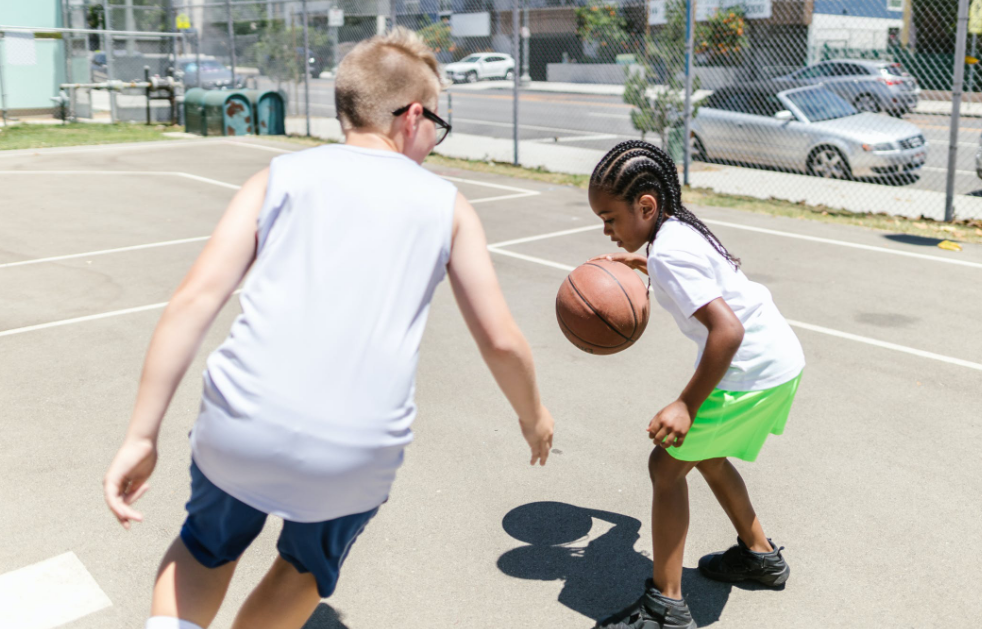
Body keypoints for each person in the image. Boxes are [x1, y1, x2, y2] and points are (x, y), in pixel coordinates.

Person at [103, 28, 555, 629]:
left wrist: (141, 434)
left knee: (206, 547)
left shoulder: (278, 177)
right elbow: (500, 340)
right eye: (437, 127)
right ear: (412, 115)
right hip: (356, 449)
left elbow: (193, 301)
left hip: (242, 420)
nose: (433, 143)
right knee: (304, 570)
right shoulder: (447, 205)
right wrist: (534, 417)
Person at [586, 141, 805, 629]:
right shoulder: (678, 229)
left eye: (610, 218)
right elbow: (708, 282)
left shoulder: (669, 252)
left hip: (749, 370)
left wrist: (685, 404)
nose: (606, 230)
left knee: (665, 467)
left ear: (646, 206)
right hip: (780, 360)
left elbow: (728, 331)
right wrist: (650, 268)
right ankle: (759, 556)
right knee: (704, 455)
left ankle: (666, 608)